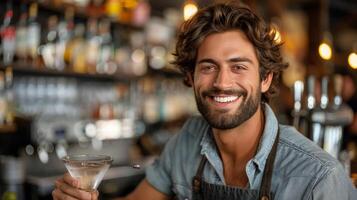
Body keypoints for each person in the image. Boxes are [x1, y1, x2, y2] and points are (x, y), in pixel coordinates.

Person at [52, 2, 356, 200]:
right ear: (191, 77)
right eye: (208, 67)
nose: (222, 82)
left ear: (266, 79)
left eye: (238, 67)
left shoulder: (319, 179)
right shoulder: (186, 142)